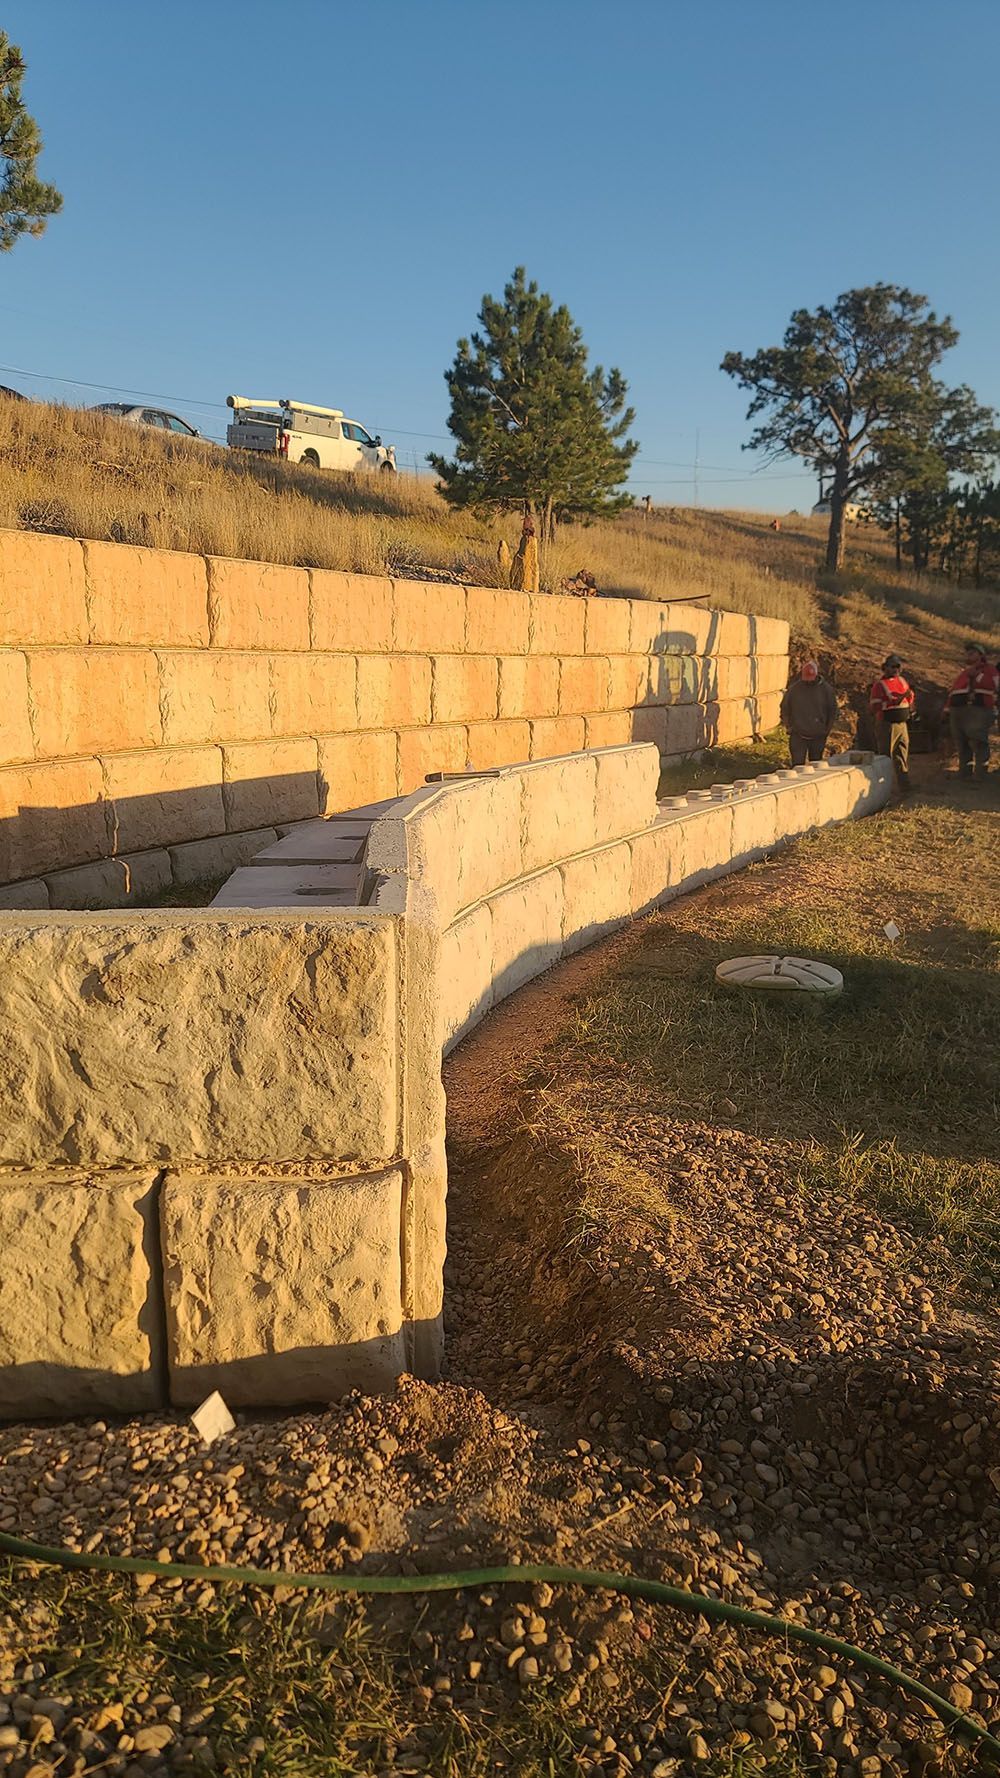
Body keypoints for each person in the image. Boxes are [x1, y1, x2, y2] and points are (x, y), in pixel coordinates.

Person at [945, 642, 998, 779]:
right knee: (961, 741)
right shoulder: (964, 672)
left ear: (981, 655)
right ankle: (965, 772)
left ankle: (981, 773)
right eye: (967, 653)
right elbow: (954, 691)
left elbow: (995, 686)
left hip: (978, 709)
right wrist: (947, 709)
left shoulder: (990, 670)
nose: (968, 655)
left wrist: (976, 676)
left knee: (978, 741)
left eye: (972, 652)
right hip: (958, 710)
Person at [779, 659, 838, 766]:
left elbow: (832, 710)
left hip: (818, 735)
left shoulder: (826, 690)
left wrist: (826, 729)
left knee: (815, 765)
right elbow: (785, 708)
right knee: (797, 765)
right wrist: (789, 726)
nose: (808, 681)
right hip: (798, 734)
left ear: (816, 675)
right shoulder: (794, 689)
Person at [869, 653, 915, 788]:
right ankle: (884, 787)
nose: (896, 670)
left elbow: (909, 699)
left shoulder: (902, 681)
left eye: (898, 667)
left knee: (902, 753)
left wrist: (909, 700)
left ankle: (904, 784)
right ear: (885, 668)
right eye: (892, 667)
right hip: (887, 724)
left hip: (902, 723)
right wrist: (895, 700)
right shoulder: (879, 685)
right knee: (886, 756)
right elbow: (874, 706)